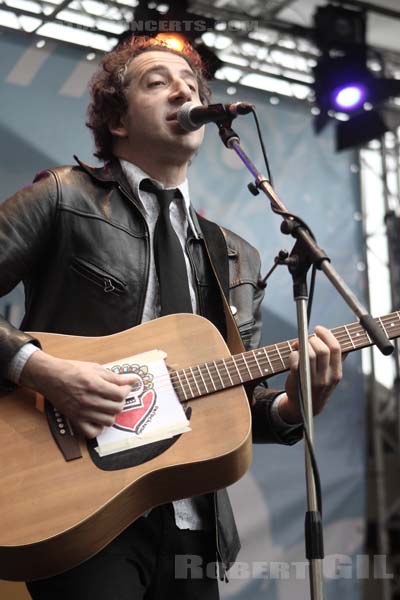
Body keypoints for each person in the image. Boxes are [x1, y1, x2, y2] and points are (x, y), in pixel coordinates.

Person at [0, 36, 343, 600]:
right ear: (116, 120)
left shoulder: (235, 256)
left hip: (194, 526)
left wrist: (296, 402)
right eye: (157, 81)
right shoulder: (64, 196)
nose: (182, 89)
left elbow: (237, 400)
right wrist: (43, 371)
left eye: (191, 83)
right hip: (83, 507)